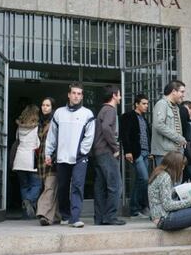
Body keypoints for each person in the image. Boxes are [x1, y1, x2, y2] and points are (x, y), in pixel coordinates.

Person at [45, 82, 95, 228]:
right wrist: (48, 153)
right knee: (62, 187)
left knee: (77, 186)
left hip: (80, 158)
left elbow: (89, 136)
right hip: (61, 157)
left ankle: (75, 218)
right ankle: (65, 215)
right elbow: (52, 136)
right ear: (69, 94)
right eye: (74, 93)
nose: (76, 96)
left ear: (82, 96)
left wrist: (82, 152)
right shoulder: (59, 113)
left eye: (79, 93)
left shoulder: (87, 114)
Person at [93, 85, 126, 225]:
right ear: (114, 95)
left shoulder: (102, 110)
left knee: (100, 187)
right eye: (119, 94)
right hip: (107, 152)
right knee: (115, 185)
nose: (120, 97)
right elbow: (107, 127)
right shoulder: (110, 110)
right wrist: (115, 147)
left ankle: (99, 218)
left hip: (98, 152)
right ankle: (110, 217)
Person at [148, 151, 191, 231]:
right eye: (182, 165)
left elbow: (164, 195)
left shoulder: (160, 174)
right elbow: (168, 205)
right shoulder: (165, 177)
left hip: (162, 217)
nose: (183, 168)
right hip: (165, 219)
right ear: (175, 165)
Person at [120, 94, 151, 219]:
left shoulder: (144, 119)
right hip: (136, 152)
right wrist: (127, 151)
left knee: (141, 180)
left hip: (146, 153)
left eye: (147, 104)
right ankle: (135, 208)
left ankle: (137, 209)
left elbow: (147, 136)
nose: (146, 106)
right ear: (136, 104)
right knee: (143, 178)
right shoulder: (128, 116)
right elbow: (124, 135)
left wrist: (150, 152)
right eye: (143, 103)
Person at [12, 104, 42, 219]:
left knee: (24, 186)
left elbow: (17, 140)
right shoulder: (37, 127)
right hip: (31, 160)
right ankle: (28, 200)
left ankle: (27, 213)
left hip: (19, 160)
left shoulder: (20, 127)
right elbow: (38, 144)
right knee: (36, 185)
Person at [35, 97, 60, 226]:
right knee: (49, 187)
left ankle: (44, 213)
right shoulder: (39, 122)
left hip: (52, 159)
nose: (45, 107)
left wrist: (54, 156)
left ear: (52, 108)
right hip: (41, 161)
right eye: (43, 105)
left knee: (50, 187)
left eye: (48, 105)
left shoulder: (55, 122)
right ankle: (56, 216)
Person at [151, 80, 187, 166]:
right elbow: (159, 125)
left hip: (175, 152)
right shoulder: (162, 104)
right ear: (174, 91)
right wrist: (179, 138)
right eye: (182, 92)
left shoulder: (176, 107)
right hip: (165, 153)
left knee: (176, 179)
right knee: (166, 179)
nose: (183, 95)